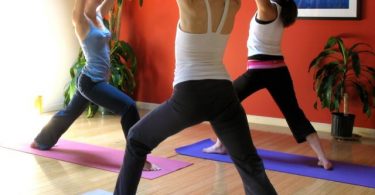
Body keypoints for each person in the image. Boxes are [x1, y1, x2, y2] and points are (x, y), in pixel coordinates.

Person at [114, 0, 277, 194]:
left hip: (190, 95)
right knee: (250, 164)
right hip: (224, 92)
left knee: (136, 139)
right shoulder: (233, 4)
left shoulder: (189, 3)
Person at [203, 0, 333, 170]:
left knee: (223, 102)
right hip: (279, 71)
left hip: (258, 71)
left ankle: (221, 145)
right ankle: (323, 159)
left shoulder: (268, 9)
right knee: (294, 113)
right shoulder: (281, 9)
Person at [31, 0, 159, 171]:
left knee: (69, 113)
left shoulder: (98, 13)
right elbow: (78, 8)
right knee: (129, 107)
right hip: (90, 82)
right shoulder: (81, 20)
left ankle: (41, 140)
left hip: (96, 80)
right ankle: (138, 160)